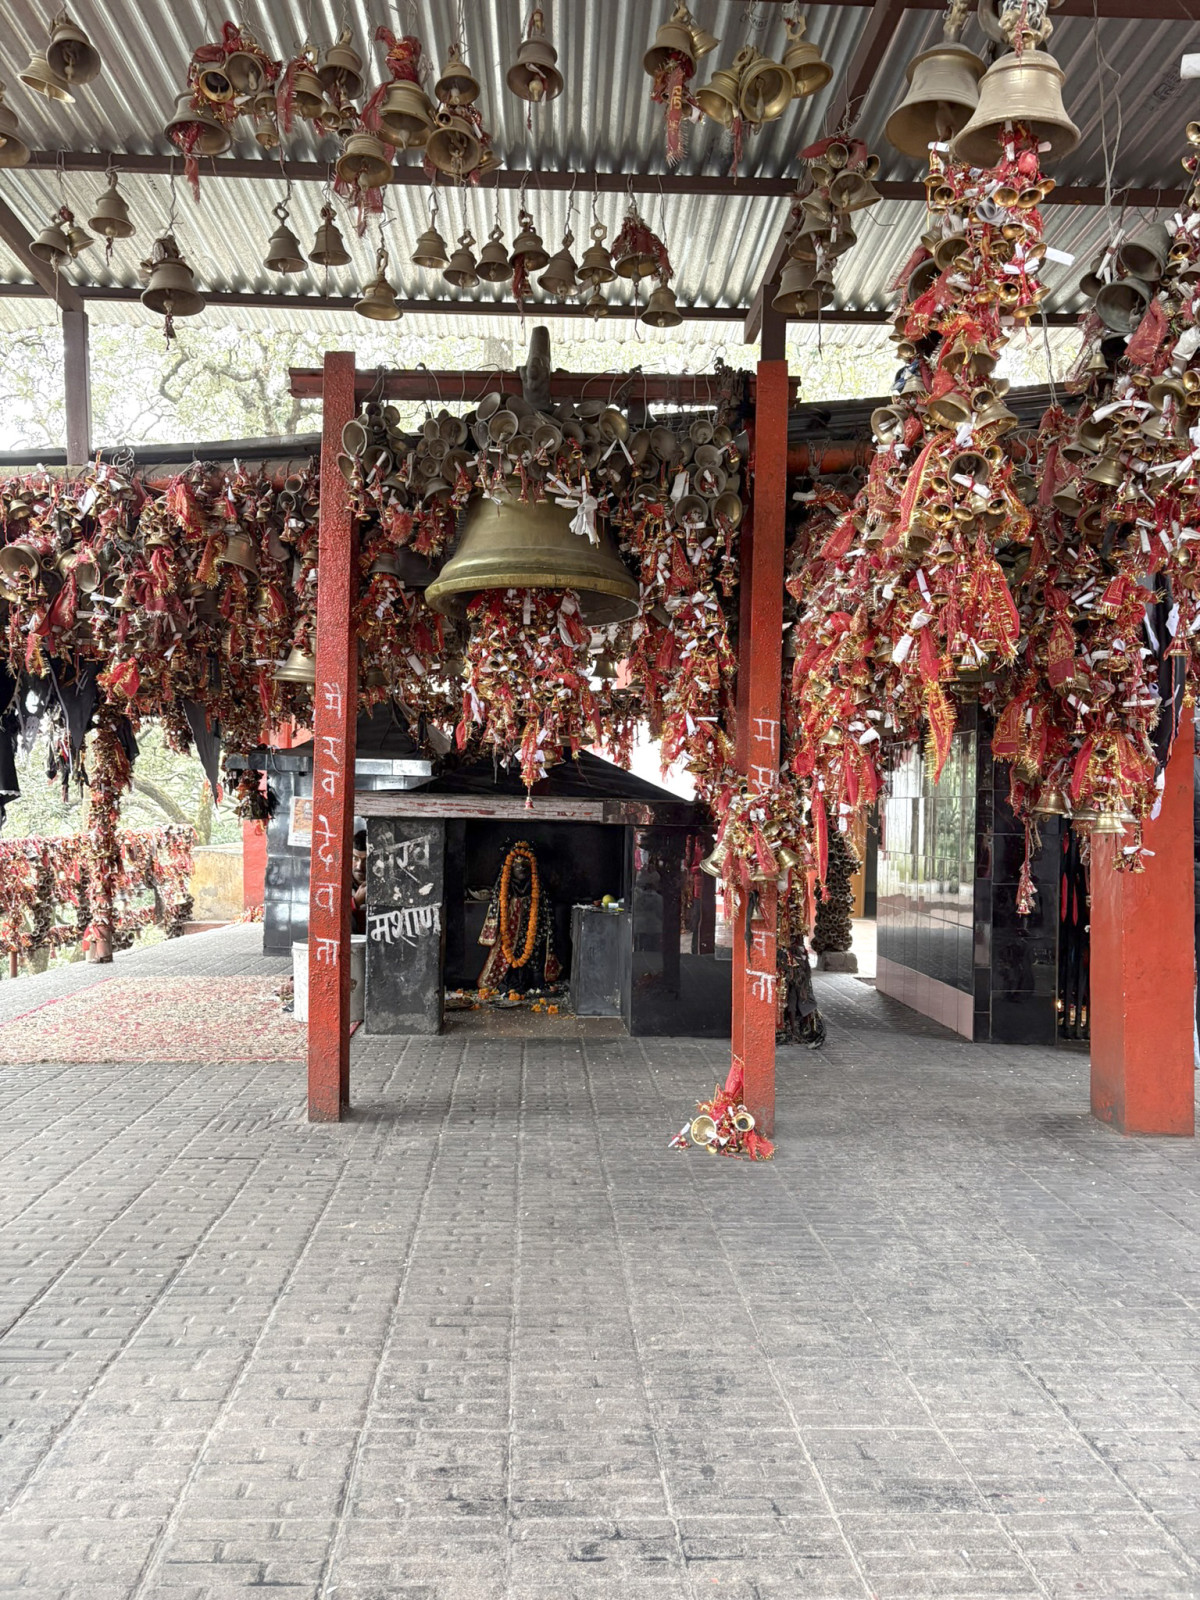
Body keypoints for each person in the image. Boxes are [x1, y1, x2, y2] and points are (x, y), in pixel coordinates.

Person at [478, 840, 561, 993]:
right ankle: (508, 985)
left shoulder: (537, 887)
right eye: (517, 865)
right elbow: (497, 907)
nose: (521, 868)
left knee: (532, 955)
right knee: (507, 956)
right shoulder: (505, 885)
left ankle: (531, 985)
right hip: (509, 930)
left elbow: (546, 913)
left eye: (525, 865)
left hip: (531, 929)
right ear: (510, 867)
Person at [351, 828, 367, 935]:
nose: (359, 866)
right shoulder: (341, 884)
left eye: (366, 860)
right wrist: (355, 903)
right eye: (355, 858)